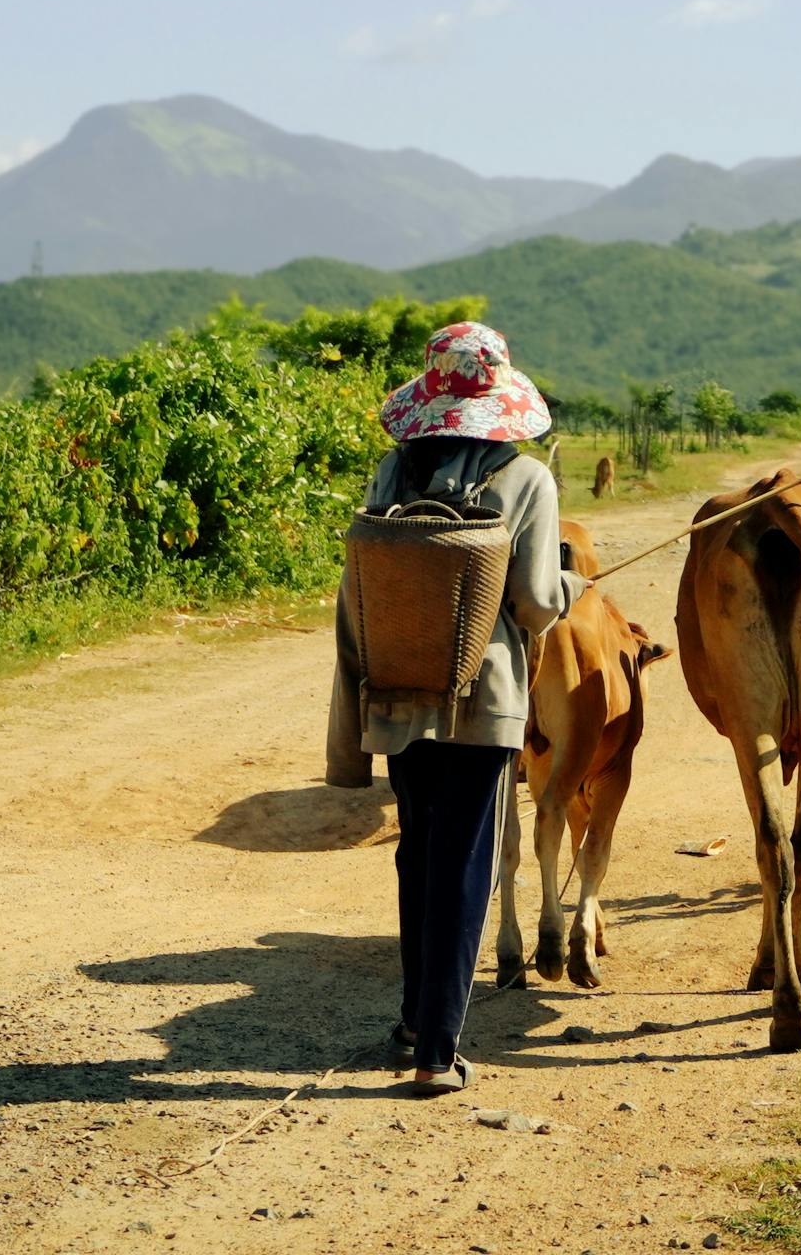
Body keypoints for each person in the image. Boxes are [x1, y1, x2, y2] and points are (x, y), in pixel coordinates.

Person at [327, 320, 578, 1097]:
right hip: (483, 703)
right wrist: (574, 588)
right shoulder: (525, 478)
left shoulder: (392, 472)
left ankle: (410, 1019)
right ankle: (438, 1050)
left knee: (417, 855)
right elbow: (535, 605)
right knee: (467, 866)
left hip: (398, 693)